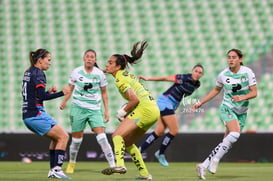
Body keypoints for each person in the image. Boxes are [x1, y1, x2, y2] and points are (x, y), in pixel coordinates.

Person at [193, 49, 257, 180]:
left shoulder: (248, 72)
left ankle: (203, 166)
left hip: (242, 111)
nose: (231, 59)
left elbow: (254, 93)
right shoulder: (223, 75)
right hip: (227, 107)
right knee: (234, 134)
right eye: (229, 57)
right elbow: (216, 90)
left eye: (234, 57)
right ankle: (215, 160)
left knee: (228, 141)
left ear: (240, 59)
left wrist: (242, 98)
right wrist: (201, 102)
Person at [101, 41, 160, 180]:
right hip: (153, 109)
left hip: (144, 108)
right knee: (127, 142)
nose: (107, 65)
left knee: (117, 136)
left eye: (110, 63)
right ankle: (145, 174)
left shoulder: (120, 80)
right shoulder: (124, 74)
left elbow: (134, 100)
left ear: (118, 66)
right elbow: (135, 99)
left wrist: (122, 112)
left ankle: (120, 165)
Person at [59, 49, 115, 173]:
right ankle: (72, 163)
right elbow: (70, 88)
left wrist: (106, 111)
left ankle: (113, 165)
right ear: (84, 58)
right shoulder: (76, 72)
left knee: (102, 137)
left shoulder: (99, 74)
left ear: (95, 60)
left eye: (92, 57)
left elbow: (104, 93)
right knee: (77, 140)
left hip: (95, 109)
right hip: (78, 108)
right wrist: (64, 101)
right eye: (87, 56)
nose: (89, 58)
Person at [138, 64, 204, 167]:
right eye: (196, 71)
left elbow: (182, 95)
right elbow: (165, 78)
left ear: (202, 75)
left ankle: (140, 150)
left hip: (171, 104)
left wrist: (176, 106)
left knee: (159, 132)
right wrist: (147, 78)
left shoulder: (197, 85)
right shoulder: (183, 78)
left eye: (200, 72)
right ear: (192, 71)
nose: (197, 74)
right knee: (174, 130)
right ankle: (160, 153)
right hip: (165, 101)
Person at [22, 48, 71, 179]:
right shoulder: (38, 73)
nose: (50, 63)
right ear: (40, 60)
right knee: (64, 137)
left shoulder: (29, 72)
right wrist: (62, 93)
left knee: (57, 138)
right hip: (36, 113)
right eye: (48, 60)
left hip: (28, 114)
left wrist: (48, 92)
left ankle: (53, 170)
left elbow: (37, 95)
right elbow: (42, 97)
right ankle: (57, 169)